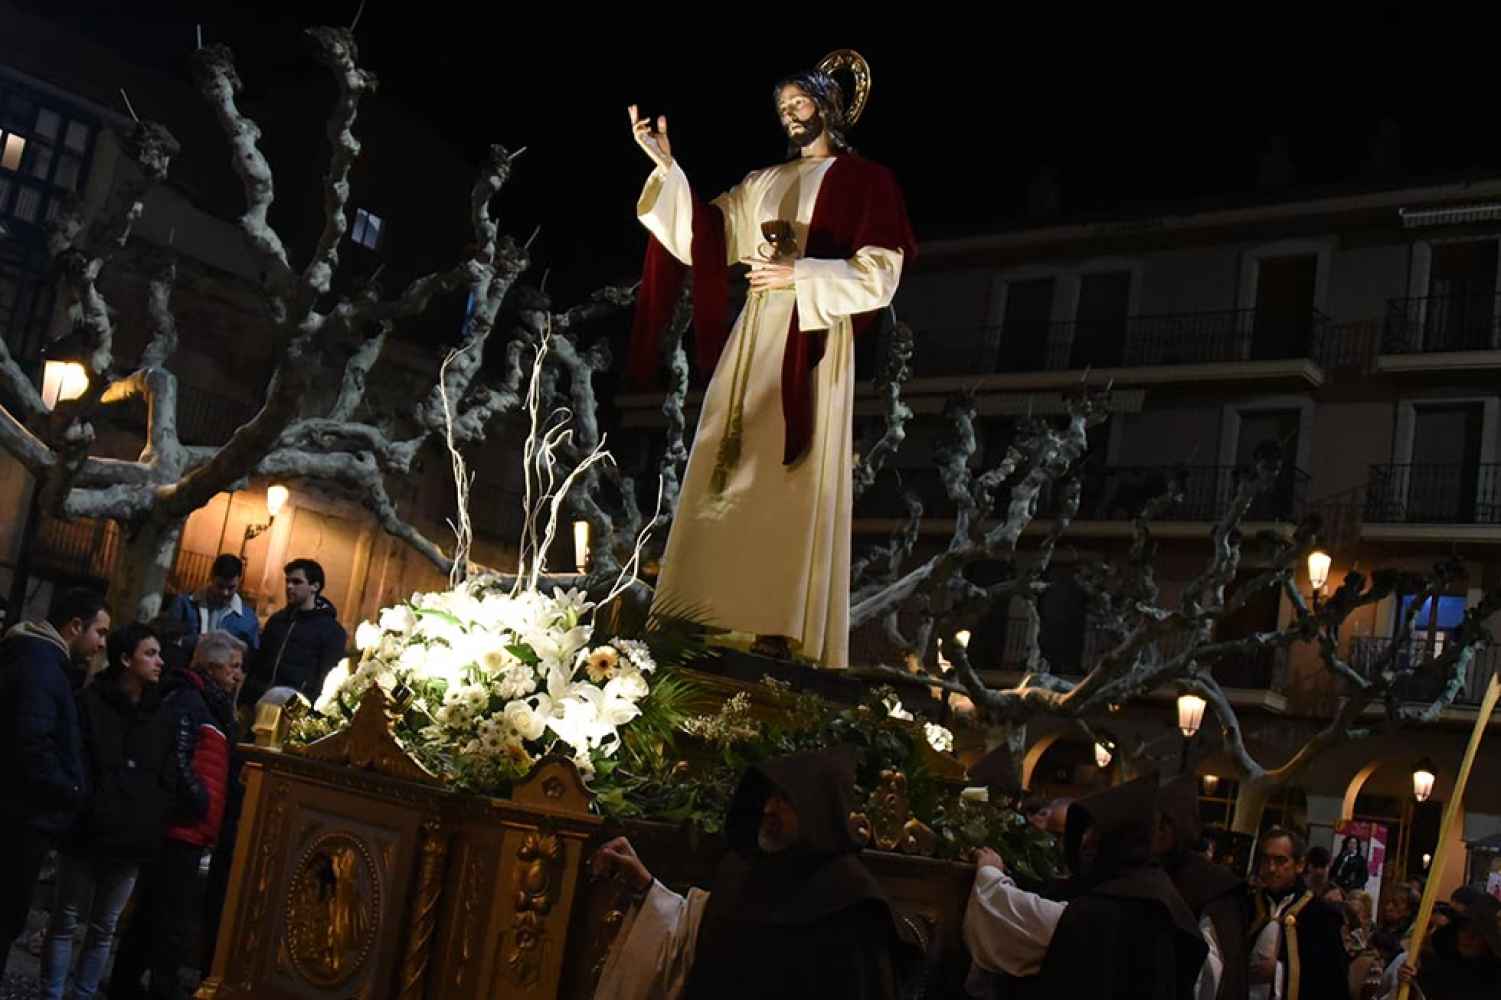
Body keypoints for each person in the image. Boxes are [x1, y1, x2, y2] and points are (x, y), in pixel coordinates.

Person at [626, 56, 914, 667]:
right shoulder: (762, 181)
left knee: (792, 472)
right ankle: (702, 611)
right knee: (723, 462)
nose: (788, 114)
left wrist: (800, 271)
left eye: (799, 103)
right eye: (782, 106)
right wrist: (666, 168)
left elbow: (882, 272)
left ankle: (777, 621)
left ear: (829, 108)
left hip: (811, 334)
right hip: (755, 332)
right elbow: (703, 235)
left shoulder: (866, 182)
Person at [590, 747, 908, 998]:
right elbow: (693, 947)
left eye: (785, 799)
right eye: (768, 796)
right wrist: (646, 888)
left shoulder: (849, 900)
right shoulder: (743, 872)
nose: (768, 808)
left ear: (817, 810)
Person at [966, 775, 1208, 999]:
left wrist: (990, 874)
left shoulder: (1121, 905)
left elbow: (1018, 921)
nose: (1085, 841)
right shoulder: (1149, 889)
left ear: (1120, 839)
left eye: (1097, 832)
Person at [40, 623, 173, 1000]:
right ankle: (51, 993)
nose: (159, 661)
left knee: (104, 927)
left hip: (131, 836)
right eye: (150, 653)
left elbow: (162, 771)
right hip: (88, 829)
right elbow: (78, 758)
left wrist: (152, 815)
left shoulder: (156, 712)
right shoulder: (91, 702)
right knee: (66, 919)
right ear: (125, 659)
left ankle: (82, 993)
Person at [108, 631, 241, 1000]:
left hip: (191, 829)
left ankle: (126, 985)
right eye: (232, 667)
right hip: (180, 827)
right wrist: (198, 801)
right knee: (167, 922)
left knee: (155, 915)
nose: (237, 675)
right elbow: (177, 758)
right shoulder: (189, 700)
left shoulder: (211, 703)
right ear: (212, 667)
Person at [0, 587, 110, 981]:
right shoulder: (42, 668)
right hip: (20, 819)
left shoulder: (38, 660)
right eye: (100, 632)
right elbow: (33, 745)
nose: (101, 644)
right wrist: (71, 790)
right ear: (75, 626)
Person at [1157, 775, 1250, 1000]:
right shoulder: (1147, 870)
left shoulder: (1212, 883)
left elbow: (1221, 969)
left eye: (1164, 824)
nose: (1156, 832)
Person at [1248, 826, 1349, 1000]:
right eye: (1266, 860)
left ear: (1300, 865)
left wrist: (1279, 972)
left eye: (1280, 861)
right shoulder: (1247, 906)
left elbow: (1332, 978)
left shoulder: (1321, 915)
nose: (1271, 868)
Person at [243, 559, 346, 704]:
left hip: (293, 710)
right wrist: (244, 700)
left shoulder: (331, 631)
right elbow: (258, 664)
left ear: (314, 586)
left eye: (297, 582)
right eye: (287, 581)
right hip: (257, 702)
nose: (289, 586)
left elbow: (327, 678)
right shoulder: (277, 621)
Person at [1391, 893, 1500, 999]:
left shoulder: (1495, 981)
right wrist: (1409, 985)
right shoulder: (1435, 968)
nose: (1467, 937)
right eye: (1463, 929)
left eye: (1476, 932)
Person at [167, 554, 260, 655]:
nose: (225, 592)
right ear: (211, 576)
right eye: (220, 586)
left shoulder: (248, 618)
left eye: (231, 588)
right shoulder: (184, 605)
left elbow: (252, 654)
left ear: (239, 581)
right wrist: (192, 642)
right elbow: (167, 641)